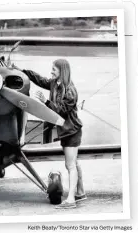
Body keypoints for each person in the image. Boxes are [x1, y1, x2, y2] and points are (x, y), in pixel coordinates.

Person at [12, 59, 86, 209]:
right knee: (74, 163)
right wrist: (21, 71)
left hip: (72, 131)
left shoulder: (70, 91)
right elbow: (39, 79)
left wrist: (45, 101)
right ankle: (81, 192)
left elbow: (61, 111)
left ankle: (71, 199)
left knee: (70, 165)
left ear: (62, 72)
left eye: (54, 70)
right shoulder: (54, 83)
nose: (51, 72)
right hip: (66, 131)